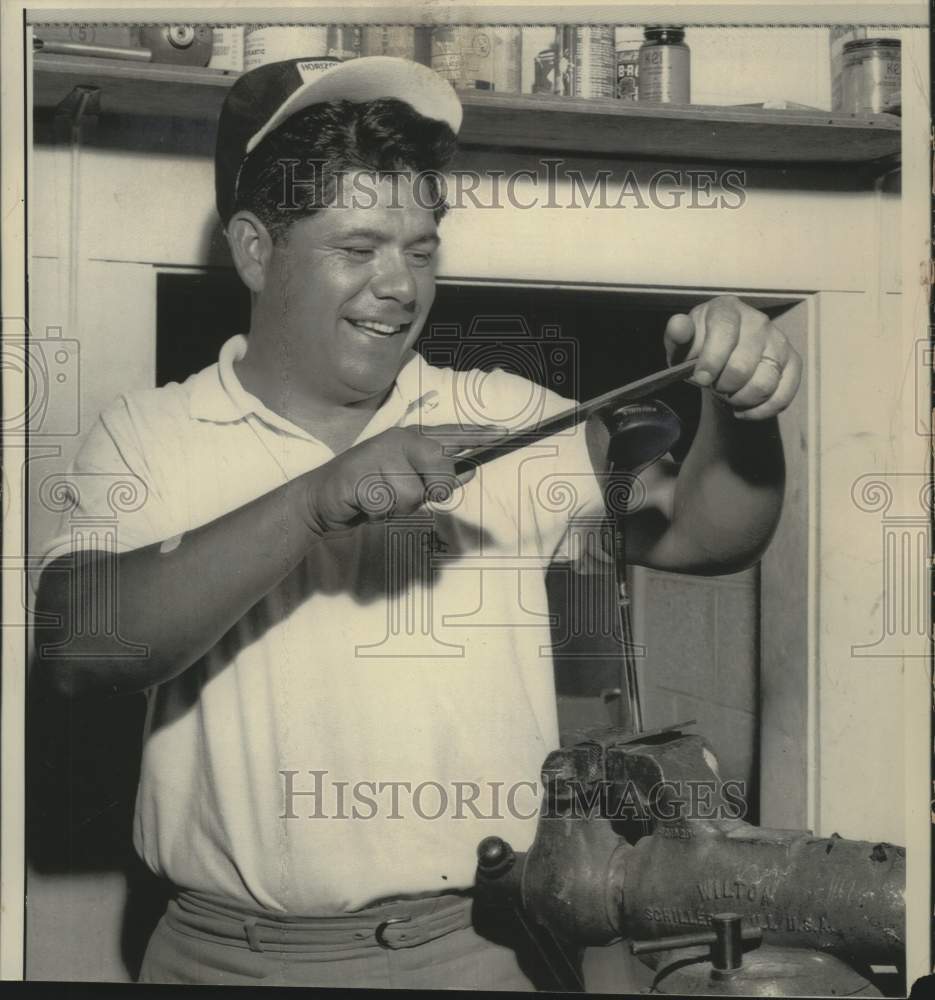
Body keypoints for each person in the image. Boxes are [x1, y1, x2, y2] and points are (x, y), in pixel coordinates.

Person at [34, 56, 801, 989]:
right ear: (253, 249)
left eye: (421, 248)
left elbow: (705, 531)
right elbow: (78, 648)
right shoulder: (147, 435)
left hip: (478, 950)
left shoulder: (503, 412)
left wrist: (743, 408)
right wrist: (318, 499)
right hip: (219, 959)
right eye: (356, 249)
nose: (399, 286)